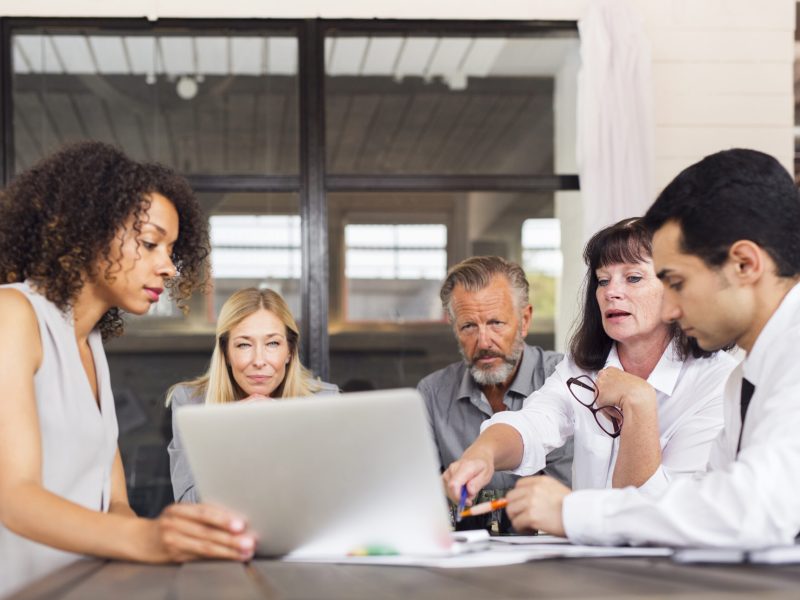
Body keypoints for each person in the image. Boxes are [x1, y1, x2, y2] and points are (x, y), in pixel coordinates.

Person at [470, 148, 800, 548]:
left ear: (745, 265)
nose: (673, 308)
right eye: (604, 281)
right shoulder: (746, 377)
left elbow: (752, 508)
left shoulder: (768, 364)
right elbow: (707, 506)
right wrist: (485, 453)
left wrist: (573, 512)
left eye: (676, 282)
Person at [0, 142, 256, 597]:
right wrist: (149, 538)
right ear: (86, 230)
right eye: (150, 243)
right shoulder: (12, 313)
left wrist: (173, 541)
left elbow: (115, 500)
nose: (169, 268)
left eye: (173, 250)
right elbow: (14, 498)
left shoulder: (92, 343)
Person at [443, 219, 738, 531]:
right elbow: (534, 422)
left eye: (633, 278)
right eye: (602, 280)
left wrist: (638, 400)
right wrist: (483, 454)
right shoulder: (582, 368)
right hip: (590, 562)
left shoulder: (718, 382)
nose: (611, 292)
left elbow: (650, 512)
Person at [417, 256, 573, 531]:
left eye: (496, 323)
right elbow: (417, 498)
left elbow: (571, 495)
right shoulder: (432, 394)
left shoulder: (564, 379)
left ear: (524, 320)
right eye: (468, 326)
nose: (484, 342)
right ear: (454, 328)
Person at [167, 287, 338, 503]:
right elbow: (187, 506)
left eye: (273, 343)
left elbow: (333, 499)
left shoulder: (325, 402)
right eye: (244, 345)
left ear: (290, 352)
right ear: (226, 353)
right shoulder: (191, 402)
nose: (259, 360)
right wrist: (237, 435)